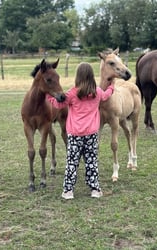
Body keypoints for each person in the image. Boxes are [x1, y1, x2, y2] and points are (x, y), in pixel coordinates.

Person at [46, 62, 114, 199]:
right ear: (91, 76)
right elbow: (107, 95)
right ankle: (95, 190)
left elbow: (59, 104)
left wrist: (48, 96)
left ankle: (68, 191)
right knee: (91, 162)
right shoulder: (98, 92)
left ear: (78, 76)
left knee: (72, 162)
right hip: (92, 133)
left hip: (75, 134)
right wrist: (112, 86)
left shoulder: (72, 93)